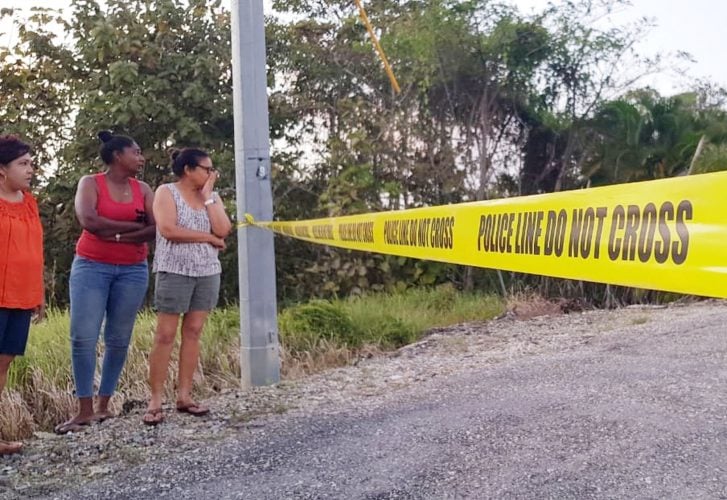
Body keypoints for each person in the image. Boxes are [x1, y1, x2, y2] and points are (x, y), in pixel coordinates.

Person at [55, 131, 156, 434]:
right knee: (83, 336)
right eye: (136, 152)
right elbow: (88, 220)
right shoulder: (90, 183)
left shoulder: (144, 189)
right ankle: (84, 410)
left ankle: (104, 406)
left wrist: (112, 232)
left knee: (118, 339)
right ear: (117, 156)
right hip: (91, 266)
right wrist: (128, 230)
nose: (141, 158)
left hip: (133, 269)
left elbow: (154, 228)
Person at [143, 148, 231, 425]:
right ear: (188, 169)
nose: (211, 173)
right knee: (165, 335)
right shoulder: (166, 192)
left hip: (206, 271)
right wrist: (207, 238)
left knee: (193, 331)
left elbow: (223, 230)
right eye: (206, 168)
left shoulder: (210, 196)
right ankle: (155, 400)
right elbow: (168, 229)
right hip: (174, 270)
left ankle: (185, 395)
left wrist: (208, 199)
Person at [0, 135, 44, 454]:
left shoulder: (29, 202)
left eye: (31, 163)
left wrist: (37, 292)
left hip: (21, 294)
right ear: (2, 171)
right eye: (23, 164)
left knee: (4, 362)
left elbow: (34, 249)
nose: (30, 170)